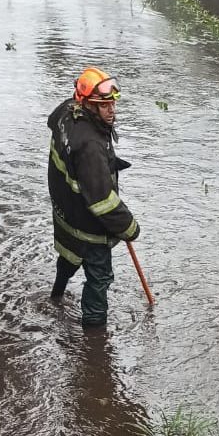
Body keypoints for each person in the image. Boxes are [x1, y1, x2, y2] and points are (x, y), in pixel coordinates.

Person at [47, 67, 140, 328]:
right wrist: (129, 228)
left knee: (68, 256)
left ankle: (55, 297)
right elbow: (103, 202)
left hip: (65, 212)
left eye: (112, 104)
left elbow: (54, 127)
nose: (112, 111)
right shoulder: (90, 146)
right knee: (99, 279)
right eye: (104, 105)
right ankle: (95, 338)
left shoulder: (66, 112)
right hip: (89, 228)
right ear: (88, 104)